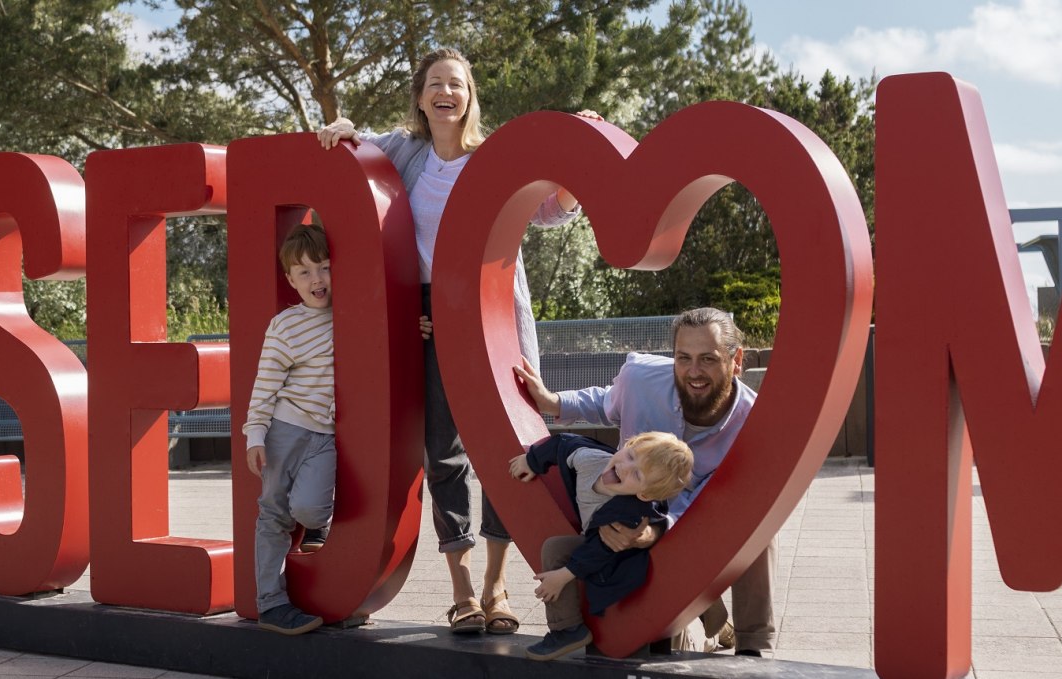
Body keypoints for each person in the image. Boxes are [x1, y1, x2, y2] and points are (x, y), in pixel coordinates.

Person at [315, 46, 598, 635]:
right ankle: (464, 591)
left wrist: (580, 162)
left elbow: (548, 208)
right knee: (443, 455)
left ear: (471, 97)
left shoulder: (494, 158)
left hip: (490, 318)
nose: (447, 92)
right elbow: (358, 148)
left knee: (508, 451)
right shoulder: (405, 150)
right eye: (436, 83)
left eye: (459, 84)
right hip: (426, 317)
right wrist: (342, 129)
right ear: (420, 96)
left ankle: (498, 587)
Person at [512, 307, 778, 656]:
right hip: (625, 522)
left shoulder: (753, 426)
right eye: (684, 358)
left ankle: (753, 647)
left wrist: (651, 533)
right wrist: (554, 402)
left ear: (736, 359)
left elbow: (715, 512)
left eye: (708, 359)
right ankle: (711, 622)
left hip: (694, 534)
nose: (694, 372)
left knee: (759, 526)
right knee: (661, 638)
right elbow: (606, 402)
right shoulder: (641, 378)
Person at [511, 431, 695, 661]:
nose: (625, 467)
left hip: (625, 556)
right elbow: (563, 443)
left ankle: (566, 630)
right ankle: (569, 629)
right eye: (630, 454)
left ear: (644, 494)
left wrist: (563, 576)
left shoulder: (630, 511)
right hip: (596, 539)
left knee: (581, 564)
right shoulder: (590, 461)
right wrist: (533, 460)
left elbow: (600, 549)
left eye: (637, 474)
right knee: (554, 547)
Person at [242, 224, 339, 635]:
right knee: (274, 515)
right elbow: (265, 384)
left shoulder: (353, 313)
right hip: (285, 429)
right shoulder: (285, 325)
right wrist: (255, 435)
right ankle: (271, 603)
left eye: (323, 267)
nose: (316, 279)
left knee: (310, 509)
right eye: (304, 272)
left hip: (327, 436)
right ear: (291, 281)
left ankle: (317, 527)